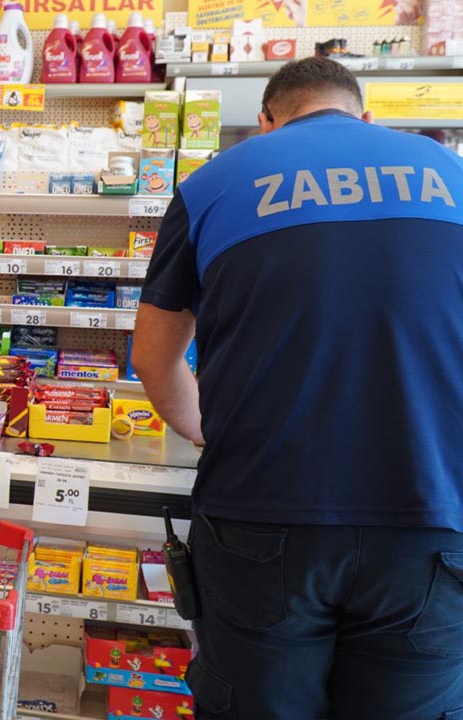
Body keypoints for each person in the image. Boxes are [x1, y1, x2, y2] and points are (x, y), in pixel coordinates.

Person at [133, 57, 463, 719]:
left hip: (261, 513)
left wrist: (201, 428)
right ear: (366, 116)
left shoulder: (215, 182)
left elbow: (152, 357)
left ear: (265, 124)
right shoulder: (452, 174)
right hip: (432, 519)